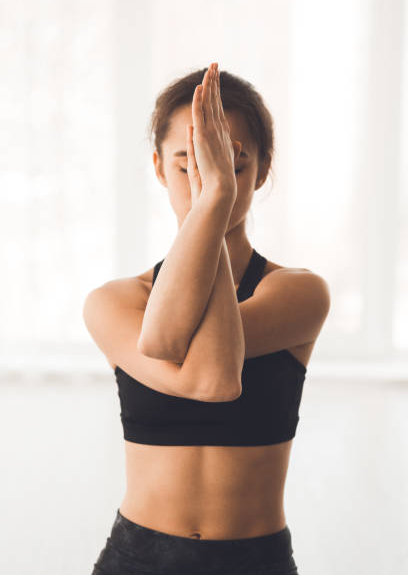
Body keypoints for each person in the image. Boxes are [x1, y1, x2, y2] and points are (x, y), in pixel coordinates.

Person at [83, 62, 330, 574]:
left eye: (230, 166)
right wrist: (213, 203)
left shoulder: (299, 292)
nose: (207, 181)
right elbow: (202, 373)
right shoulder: (115, 301)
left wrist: (208, 207)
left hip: (255, 560)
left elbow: (215, 377)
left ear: (262, 170)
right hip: (137, 558)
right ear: (157, 167)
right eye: (188, 164)